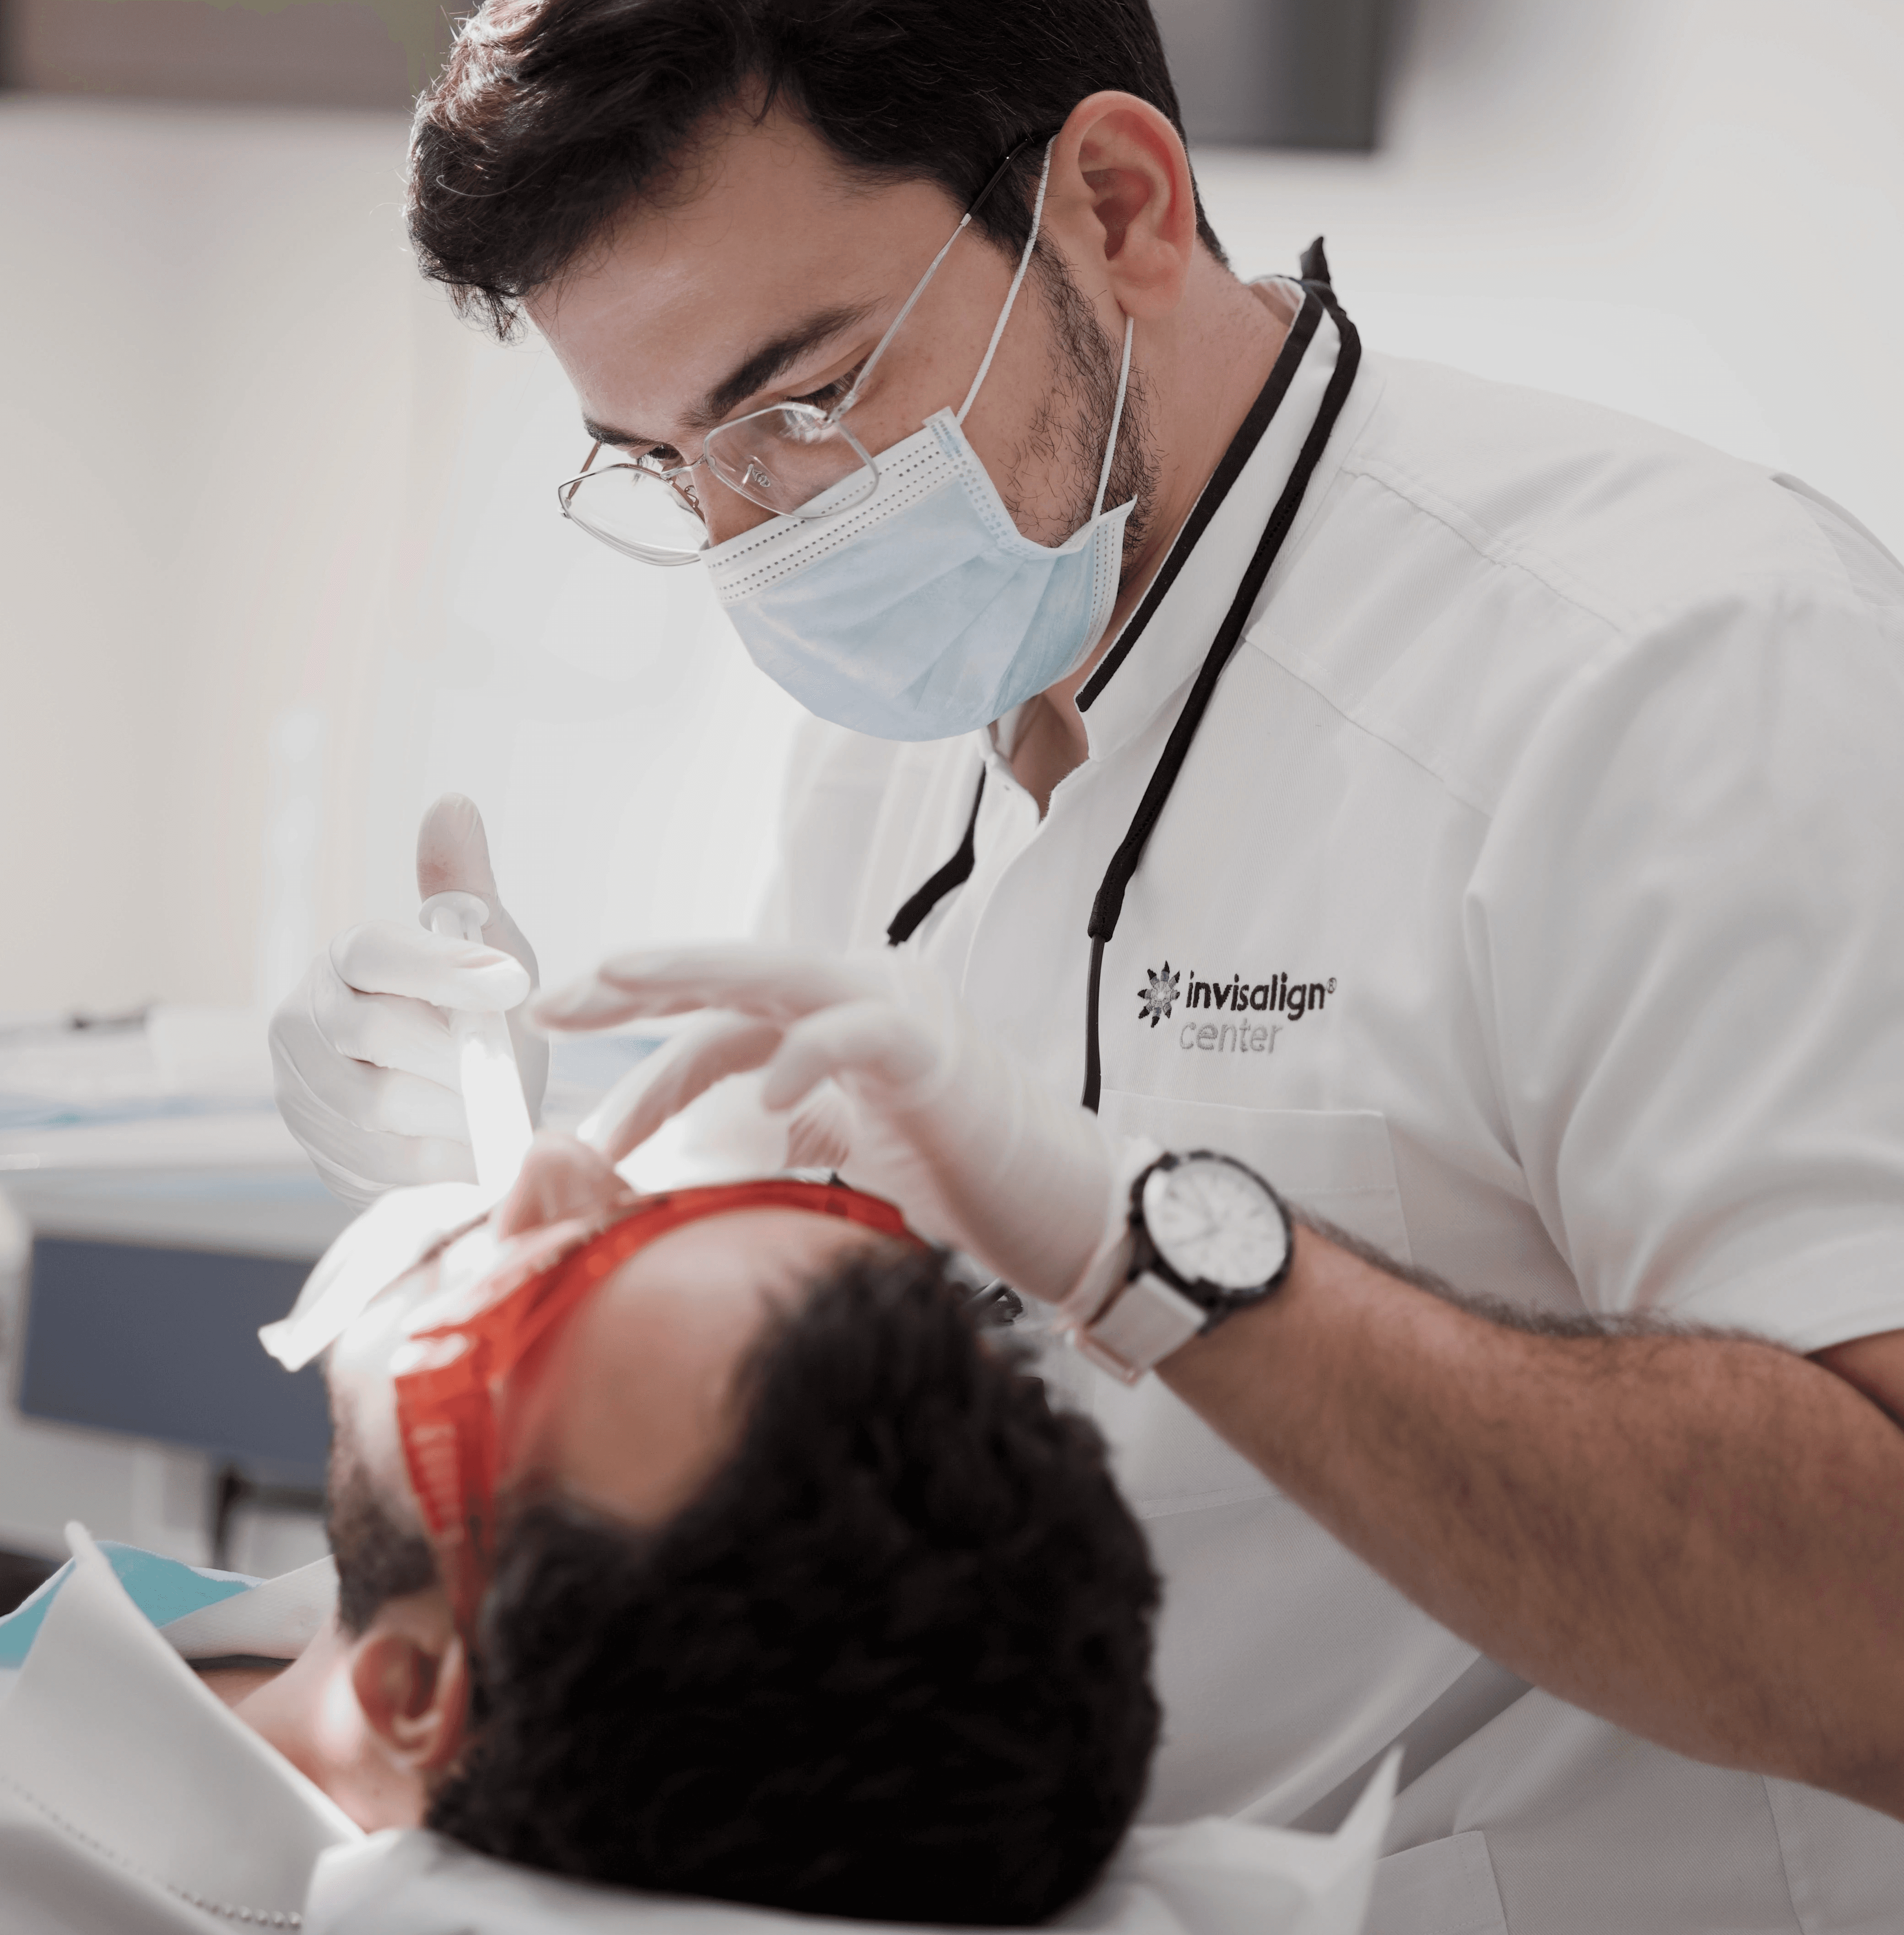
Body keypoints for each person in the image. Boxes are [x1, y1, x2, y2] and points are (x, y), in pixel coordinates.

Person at [267, 1, 1904, 1927]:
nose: (749, 535)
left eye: (798, 401)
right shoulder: (910, 700)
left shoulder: (1674, 670)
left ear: (1116, 205)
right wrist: (533, 1186)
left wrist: (1162, 1247)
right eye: (662, 459)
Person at [0, 1135, 1163, 1931]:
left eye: (547, 1298)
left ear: (411, 1695)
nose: (549, 1165)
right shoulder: (352, 1638)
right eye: (662, 1213)